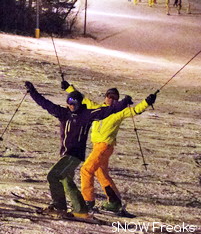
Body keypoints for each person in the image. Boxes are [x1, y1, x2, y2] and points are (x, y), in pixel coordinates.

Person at [24, 81, 131, 218]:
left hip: (74, 155)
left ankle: (63, 206)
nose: (71, 105)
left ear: (80, 103)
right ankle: (77, 210)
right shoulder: (63, 113)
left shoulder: (86, 115)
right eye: (69, 101)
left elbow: (107, 111)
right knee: (66, 180)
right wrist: (32, 91)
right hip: (65, 154)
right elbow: (45, 104)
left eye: (74, 102)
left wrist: (123, 102)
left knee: (54, 175)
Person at [61, 81, 157, 212]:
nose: (111, 99)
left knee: (86, 170)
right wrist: (68, 88)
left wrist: (147, 102)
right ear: (105, 97)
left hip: (105, 146)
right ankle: (114, 201)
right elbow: (81, 99)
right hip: (97, 146)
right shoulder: (96, 108)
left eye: (114, 98)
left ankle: (87, 201)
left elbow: (135, 110)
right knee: (101, 172)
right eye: (109, 96)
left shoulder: (118, 113)